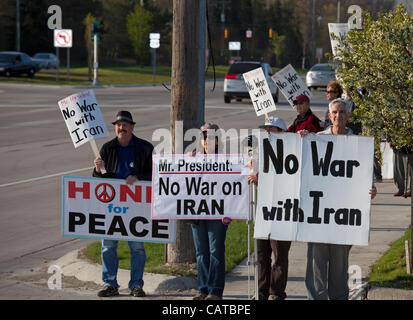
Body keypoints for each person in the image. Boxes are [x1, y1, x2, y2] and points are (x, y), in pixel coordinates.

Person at [298, 98, 377, 300]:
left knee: (339, 264)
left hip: (343, 216)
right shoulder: (317, 140)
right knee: (316, 261)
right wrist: (302, 140)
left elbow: (366, 177)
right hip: (318, 214)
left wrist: (371, 190)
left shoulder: (358, 144)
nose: (338, 116)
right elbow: (302, 166)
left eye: (342, 112)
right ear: (329, 115)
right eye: (335, 112)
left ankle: (339, 297)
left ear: (348, 116)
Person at [93, 110, 154, 298]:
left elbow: (155, 174)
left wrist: (138, 178)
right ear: (116, 128)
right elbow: (98, 180)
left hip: (136, 206)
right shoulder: (107, 148)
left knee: (137, 247)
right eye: (119, 125)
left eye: (126, 124)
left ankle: (136, 285)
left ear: (132, 127)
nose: (122, 128)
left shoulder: (145, 148)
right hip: (112, 206)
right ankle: (110, 284)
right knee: (108, 246)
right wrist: (97, 169)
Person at [248, 116, 291, 300]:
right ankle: (261, 293)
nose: (267, 132)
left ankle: (277, 292)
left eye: (271, 129)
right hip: (263, 212)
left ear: (282, 132)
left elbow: (287, 180)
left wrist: (261, 179)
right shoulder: (258, 154)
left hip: (283, 212)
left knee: (279, 256)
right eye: (265, 129)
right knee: (261, 256)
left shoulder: (291, 154)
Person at [191, 122, 230, 300]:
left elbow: (234, 189)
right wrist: (185, 162)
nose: (208, 140)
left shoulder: (227, 160)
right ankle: (203, 289)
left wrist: (231, 212)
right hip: (198, 212)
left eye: (212, 137)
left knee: (216, 251)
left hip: (218, 213)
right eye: (205, 137)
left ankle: (215, 291)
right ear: (202, 141)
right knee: (201, 253)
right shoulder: (193, 159)